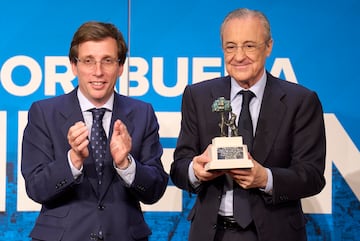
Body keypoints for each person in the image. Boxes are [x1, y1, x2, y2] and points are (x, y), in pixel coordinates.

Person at [170, 8, 326, 241]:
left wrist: (266, 178)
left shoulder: (300, 101)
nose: (239, 56)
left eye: (249, 45)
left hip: (276, 233)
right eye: (230, 46)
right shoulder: (198, 96)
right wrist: (196, 170)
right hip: (212, 234)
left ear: (269, 46)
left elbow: (312, 176)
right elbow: (178, 168)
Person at [21, 21, 168, 241]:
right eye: (88, 61)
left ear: (120, 67)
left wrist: (126, 164)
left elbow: (155, 190)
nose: (98, 72)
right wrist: (72, 160)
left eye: (107, 61)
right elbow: (36, 188)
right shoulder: (44, 112)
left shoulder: (142, 113)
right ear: (73, 65)